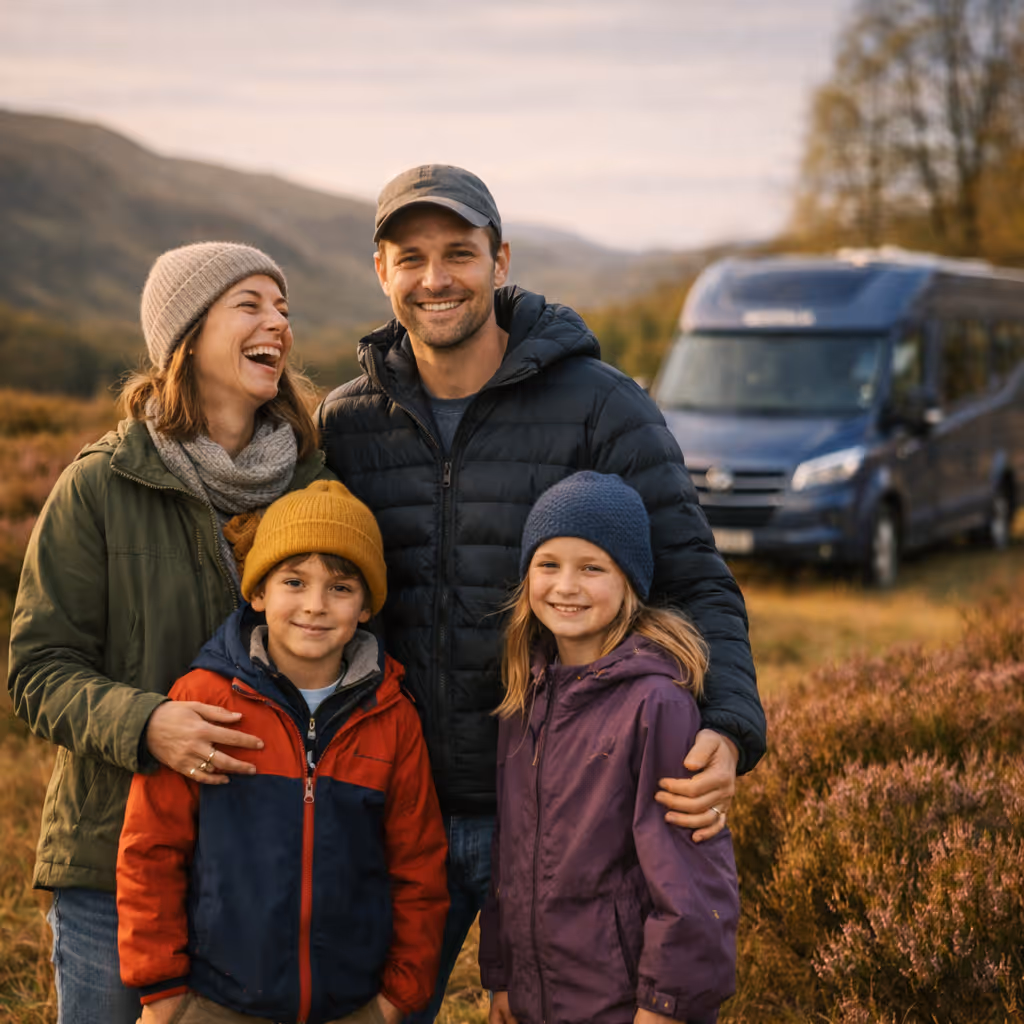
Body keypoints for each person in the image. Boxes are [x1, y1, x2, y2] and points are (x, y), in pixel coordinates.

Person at [317, 165, 764, 1020]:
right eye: (410, 257)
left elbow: (695, 575)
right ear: (382, 272)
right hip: (395, 805)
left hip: (568, 817)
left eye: (459, 252)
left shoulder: (603, 406)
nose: (435, 277)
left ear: (500, 259)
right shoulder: (348, 424)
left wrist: (731, 726)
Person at [8, 241, 333, 1024]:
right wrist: (147, 723)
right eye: (249, 304)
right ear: (186, 334)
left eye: (283, 308)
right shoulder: (101, 483)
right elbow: (37, 669)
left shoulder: (313, 485)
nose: (277, 324)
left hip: (263, 858)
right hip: (111, 859)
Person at [116, 480, 449, 1024]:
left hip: (352, 1006)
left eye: (341, 588)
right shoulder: (203, 698)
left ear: (366, 606)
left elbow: (419, 869)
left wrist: (395, 1001)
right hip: (210, 1002)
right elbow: (151, 851)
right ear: (258, 593)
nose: (315, 606)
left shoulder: (392, 716)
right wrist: (162, 991)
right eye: (294, 581)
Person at [479, 471, 739, 1024]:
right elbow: (510, 855)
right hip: (536, 1000)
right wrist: (503, 976)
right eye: (548, 565)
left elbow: (690, 879)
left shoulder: (656, 705)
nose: (566, 586)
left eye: (592, 567)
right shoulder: (525, 696)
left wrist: (665, 1006)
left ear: (631, 582)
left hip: (625, 1006)